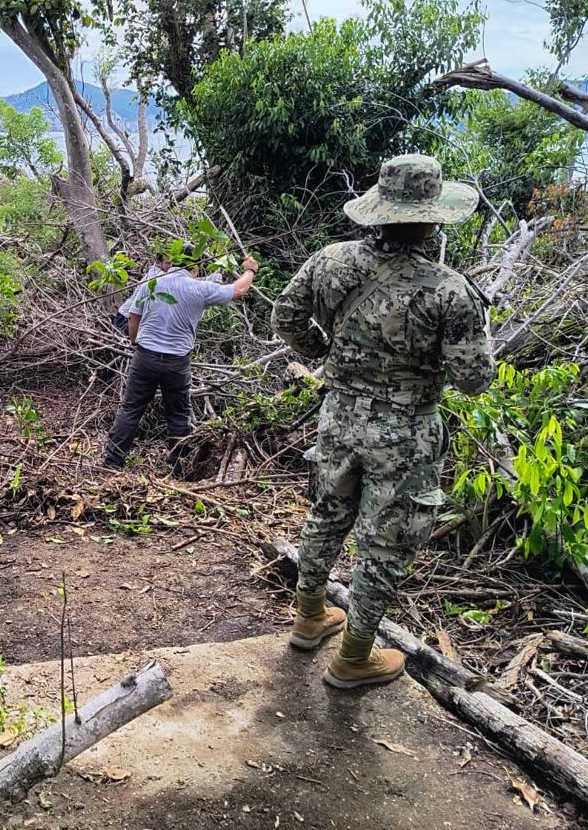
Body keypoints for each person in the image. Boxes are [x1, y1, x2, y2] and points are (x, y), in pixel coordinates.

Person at [271, 153, 495, 690]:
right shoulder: (448, 290)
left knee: (327, 512)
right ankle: (353, 657)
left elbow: (285, 316)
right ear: (431, 217)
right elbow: (473, 380)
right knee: (384, 545)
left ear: (379, 209)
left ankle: (309, 617)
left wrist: (325, 355)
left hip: (339, 414)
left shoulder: (330, 261)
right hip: (406, 431)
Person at [104, 250, 259, 474]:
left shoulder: (153, 283)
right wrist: (249, 270)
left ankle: (113, 462)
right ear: (194, 269)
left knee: (130, 409)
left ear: (172, 263)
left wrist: (136, 341)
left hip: (145, 357)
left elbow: (133, 315)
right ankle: (178, 467)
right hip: (177, 363)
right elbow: (238, 290)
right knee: (178, 414)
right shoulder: (199, 288)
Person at [113, 252, 171, 334]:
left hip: (132, 317)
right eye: (167, 263)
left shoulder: (160, 273)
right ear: (158, 262)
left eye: (172, 263)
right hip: (126, 317)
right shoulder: (156, 275)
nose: (170, 266)